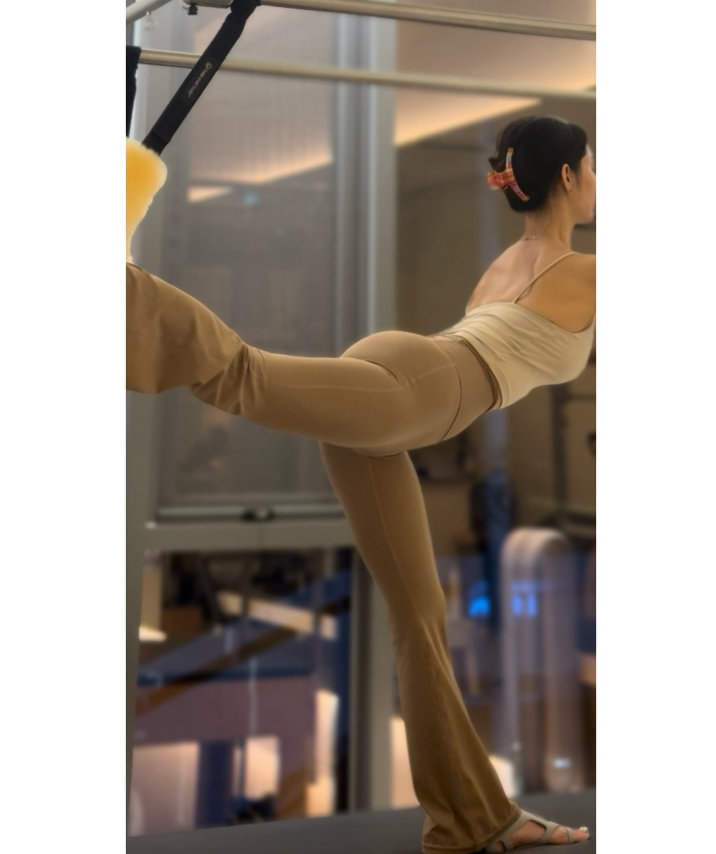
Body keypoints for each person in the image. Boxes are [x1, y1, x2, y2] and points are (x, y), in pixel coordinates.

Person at [126, 114, 595, 852]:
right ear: (568, 176)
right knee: (242, 375)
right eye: (593, 166)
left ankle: (476, 821)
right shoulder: (590, 272)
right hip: (414, 391)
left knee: (418, 619)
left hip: (403, 384)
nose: (597, 181)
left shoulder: (506, 264)